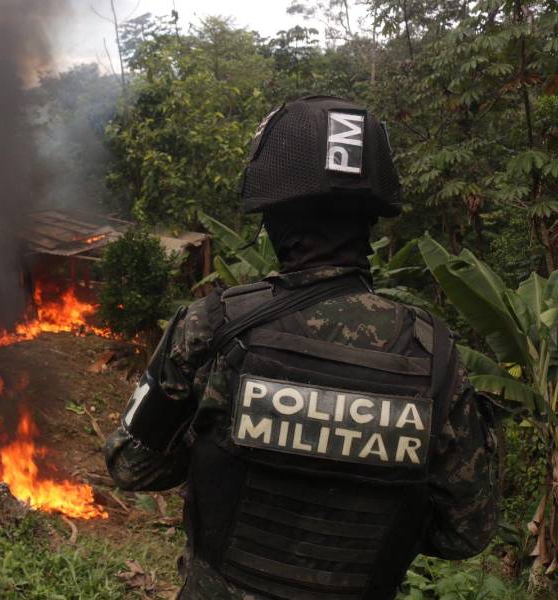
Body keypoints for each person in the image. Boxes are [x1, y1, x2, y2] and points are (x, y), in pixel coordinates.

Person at [104, 96, 498, 600]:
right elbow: (468, 531)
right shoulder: (433, 355)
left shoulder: (211, 325)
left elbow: (131, 465)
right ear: (373, 221)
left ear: (273, 218)